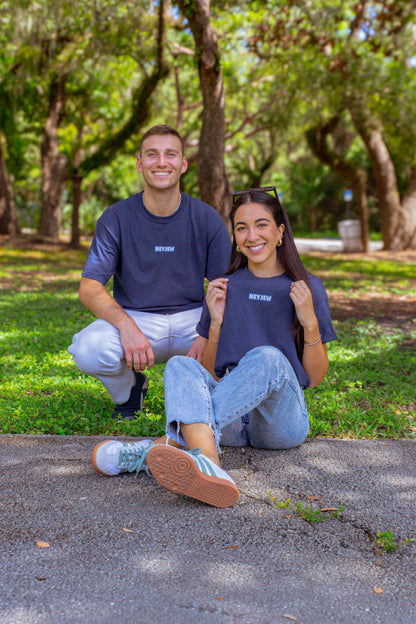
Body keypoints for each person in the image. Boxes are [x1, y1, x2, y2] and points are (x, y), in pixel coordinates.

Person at [92, 186, 337, 508]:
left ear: (280, 232)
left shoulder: (307, 287)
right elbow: (209, 371)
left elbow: (315, 377)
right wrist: (217, 324)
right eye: (241, 227)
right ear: (234, 237)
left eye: (261, 224)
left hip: (280, 424)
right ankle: (209, 462)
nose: (252, 236)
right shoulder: (223, 287)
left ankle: (153, 450)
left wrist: (310, 323)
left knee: (268, 357)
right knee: (182, 364)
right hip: (230, 423)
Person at [68, 124, 231, 420]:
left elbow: (225, 286)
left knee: (243, 335)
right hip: (138, 321)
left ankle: (205, 390)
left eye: (170, 154)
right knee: (87, 348)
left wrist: (209, 333)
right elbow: (89, 287)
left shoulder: (206, 218)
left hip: (193, 320)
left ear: (182, 165)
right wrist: (126, 326)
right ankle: (130, 390)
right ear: (140, 164)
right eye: (152, 154)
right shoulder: (116, 217)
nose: (161, 162)